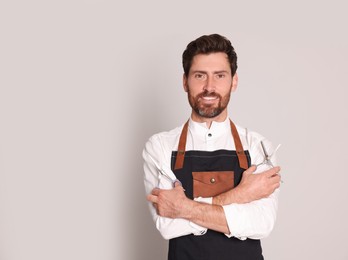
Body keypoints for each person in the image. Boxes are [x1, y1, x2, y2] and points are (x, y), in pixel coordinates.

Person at [143, 34, 281, 260]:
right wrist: (241, 194)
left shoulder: (258, 146)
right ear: (185, 81)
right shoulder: (160, 146)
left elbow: (261, 223)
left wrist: (184, 208)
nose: (209, 87)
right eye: (199, 76)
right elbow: (167, 225)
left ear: (234, 81)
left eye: (219, 76)